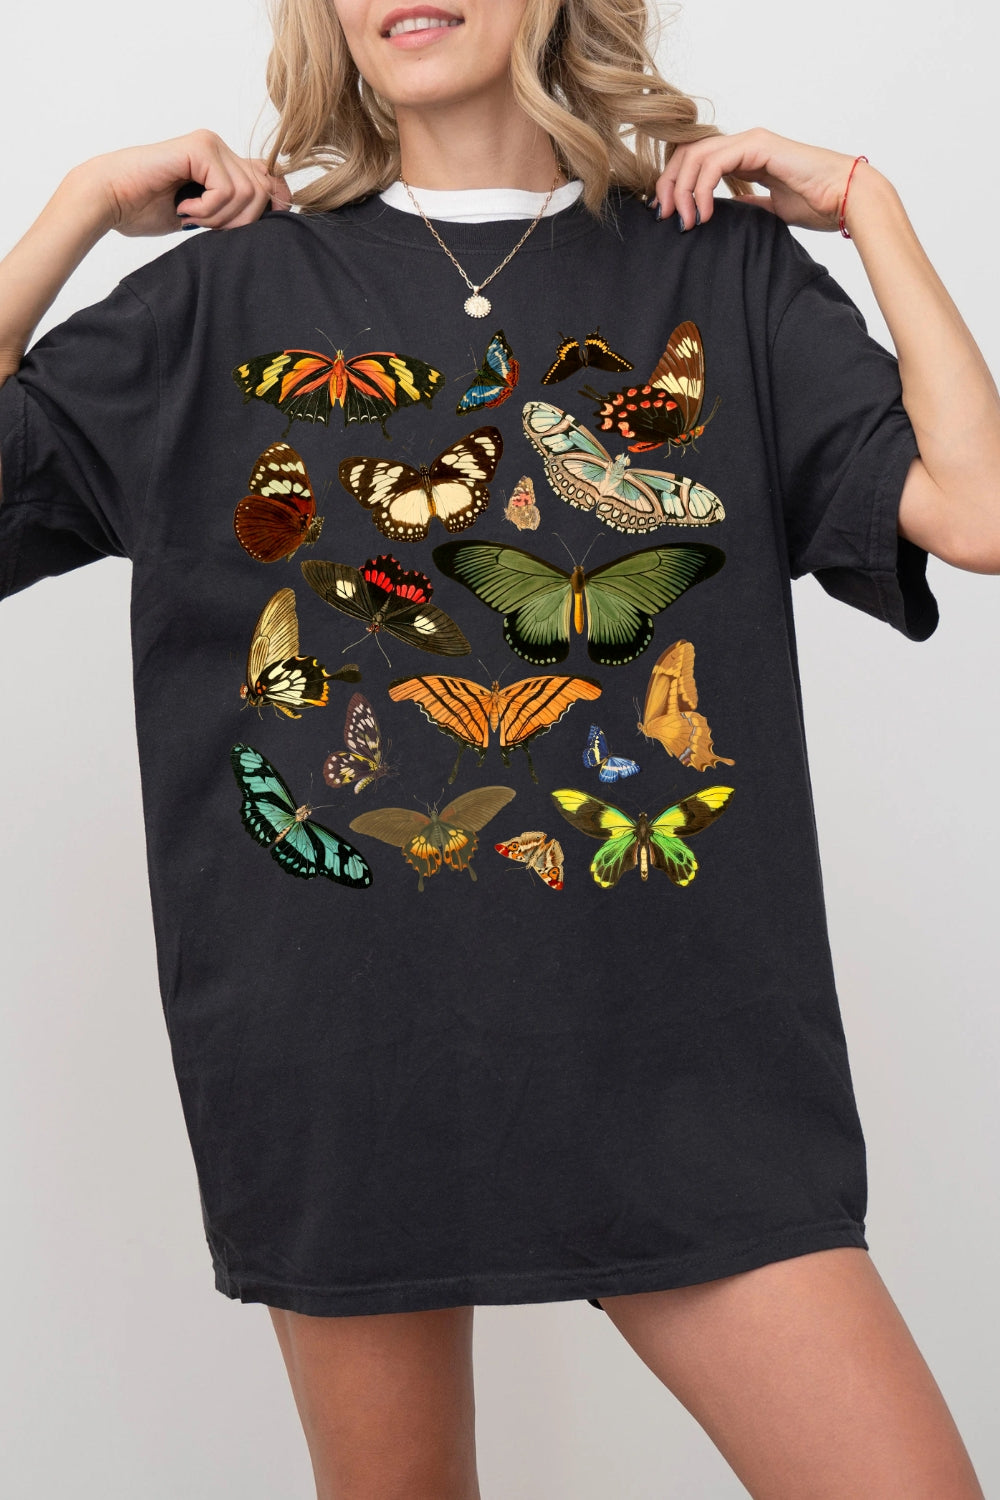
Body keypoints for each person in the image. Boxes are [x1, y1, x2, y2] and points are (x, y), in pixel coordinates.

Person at [0, 1, 993, 1496]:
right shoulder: (220, 297)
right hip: (347, 1056)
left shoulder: (716, 271)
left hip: (686, 1062)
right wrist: (74, 209)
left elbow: (975, 514)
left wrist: (870, 207)